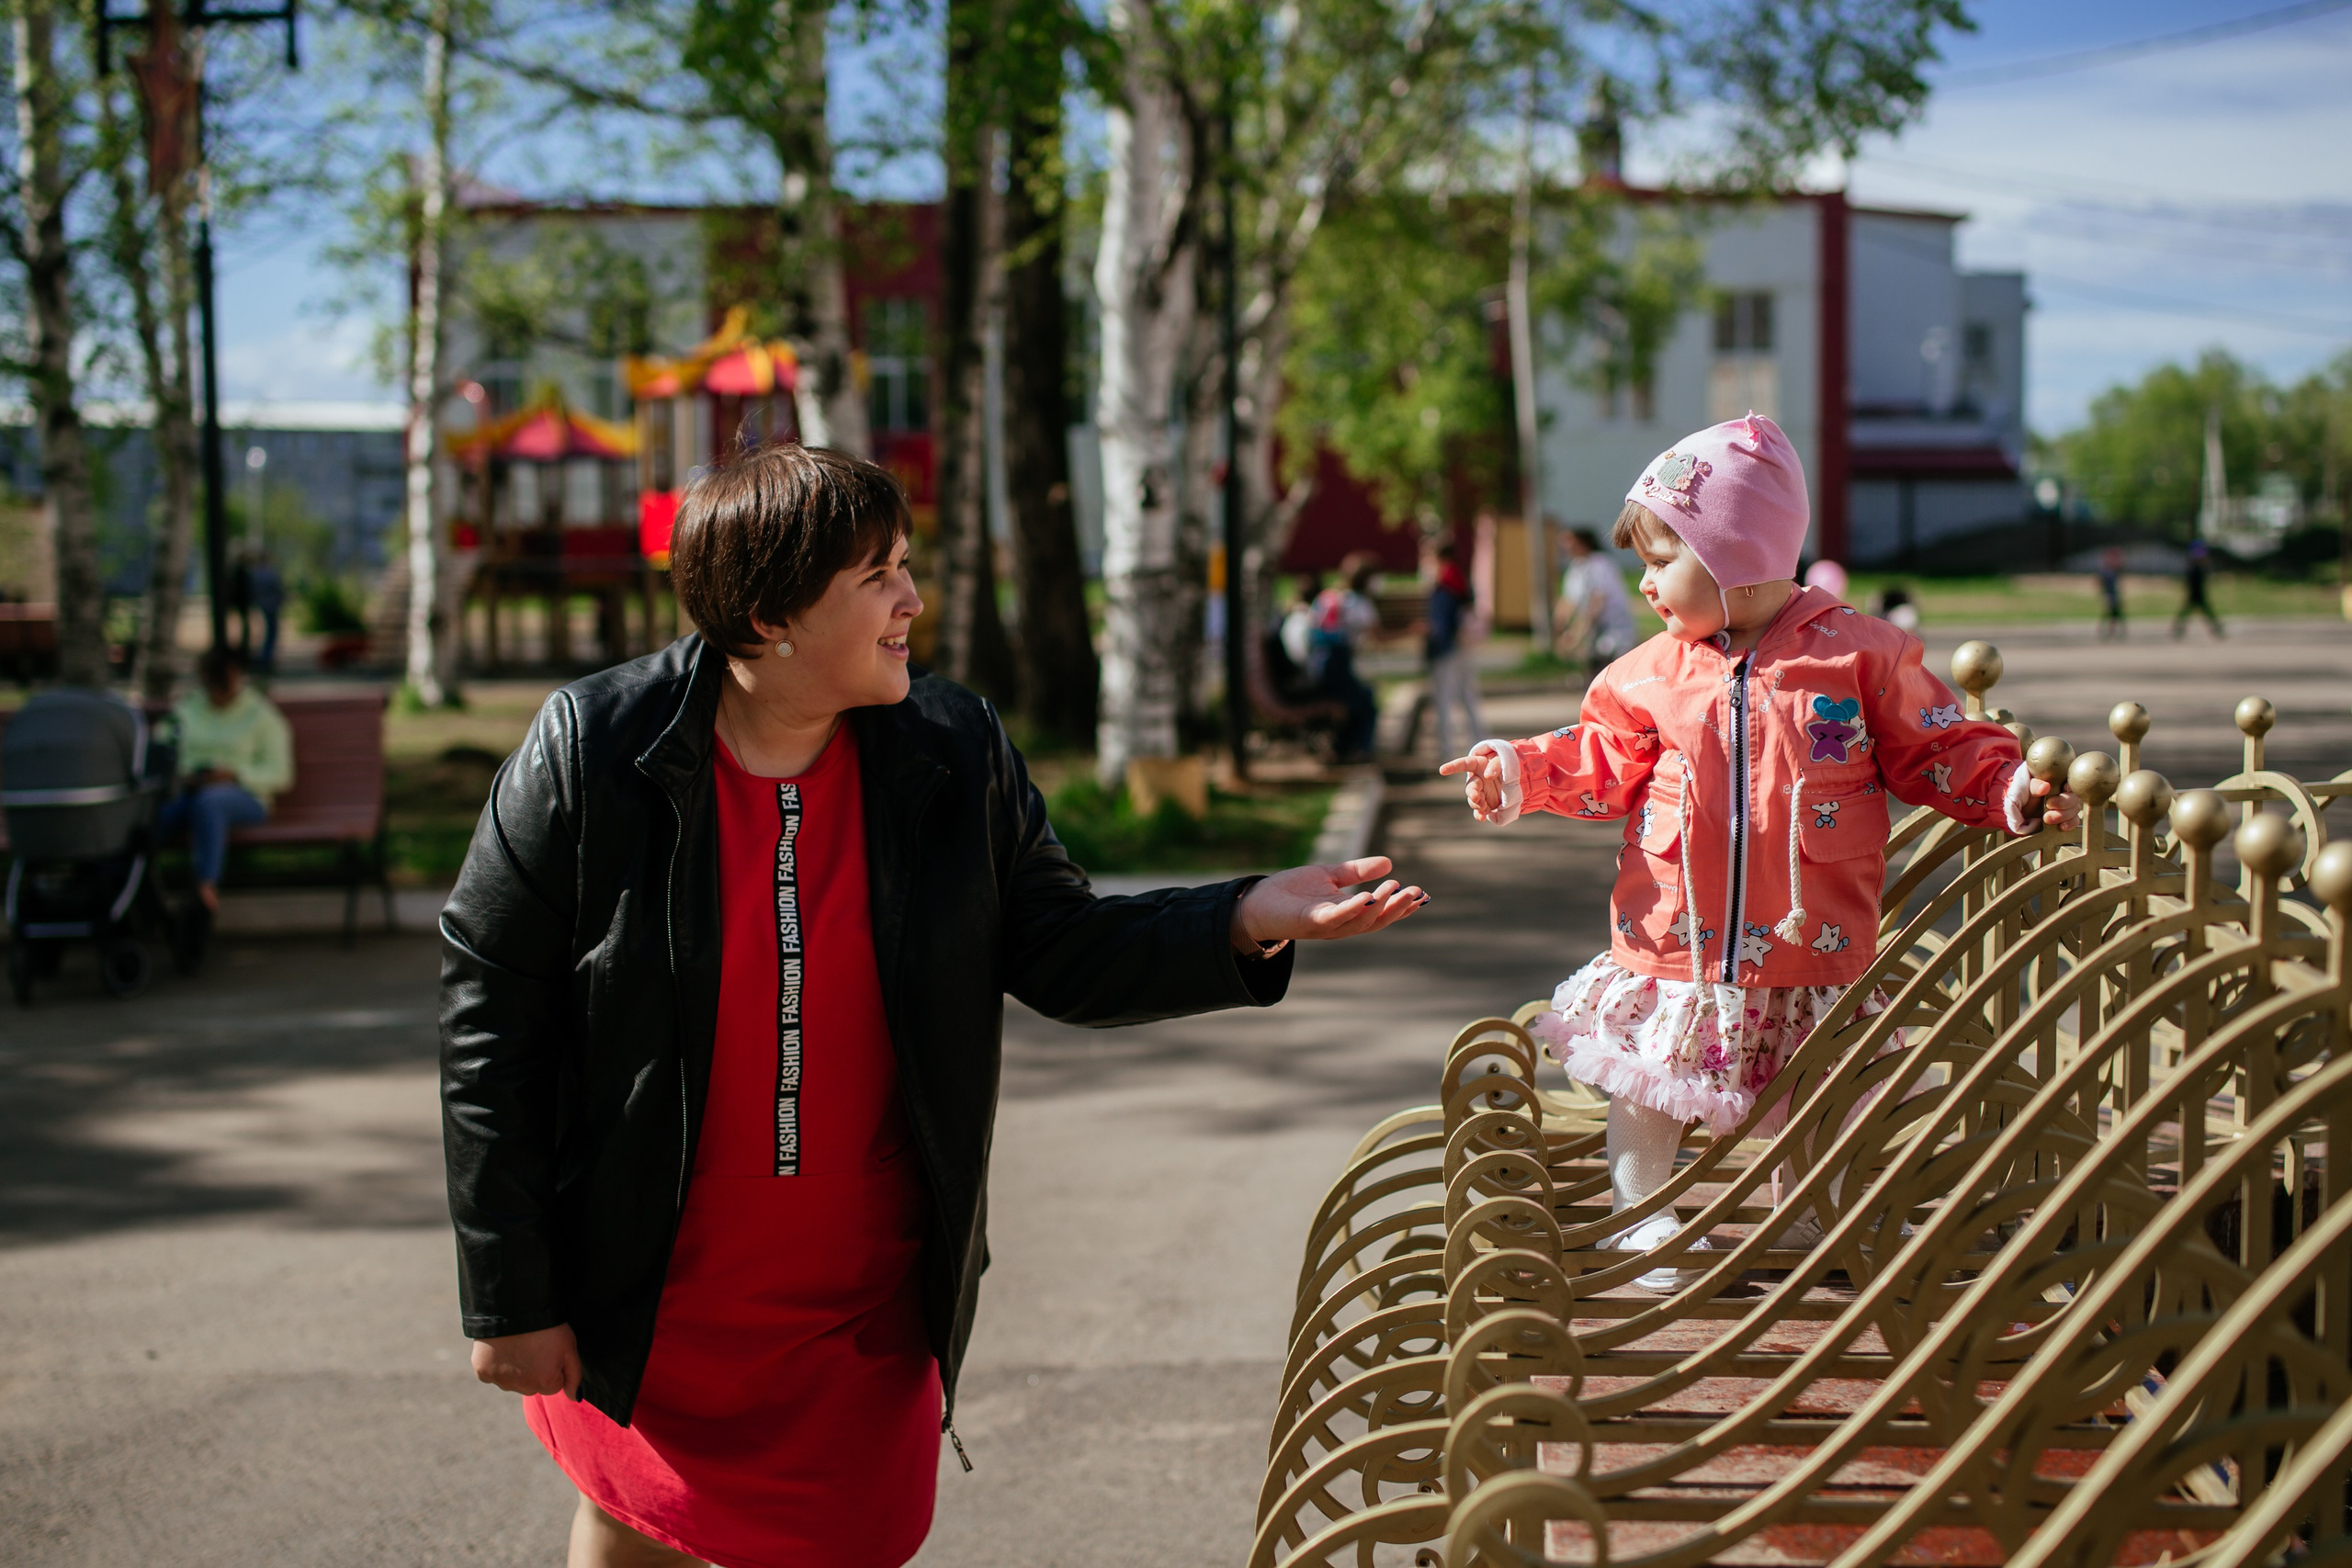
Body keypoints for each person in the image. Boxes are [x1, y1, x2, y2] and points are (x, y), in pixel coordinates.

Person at [441, 445, 1428, 1568]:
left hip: (856, 1305)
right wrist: (509, 1293)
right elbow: (490, 1023)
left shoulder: (952, 750)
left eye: (904, 565)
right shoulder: (591, 750)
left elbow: (1060, 946)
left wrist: (1247, 911)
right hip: (649, 1283)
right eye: (876, 577)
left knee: (853, 1534)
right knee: (633, 1524)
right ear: (770, 617)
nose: (913, 600)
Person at [1441, 415, 2077, 1289]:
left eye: (1664, 560)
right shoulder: (1647, 673)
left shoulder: (1860, 654)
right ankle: (1642, 1216)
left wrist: (2009, 788)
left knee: (1814, 1090)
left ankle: (1805, 1220)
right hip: (1674, 937)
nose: (1648, 583)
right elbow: (1598, 758)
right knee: (1650, 1082)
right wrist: (1518, 770)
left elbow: (1935, 745)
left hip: (1808, 939)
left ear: (1735, 554)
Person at [161, 646, 293, 913]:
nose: (219, 695)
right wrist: (186, 774)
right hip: (189, 791)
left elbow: (281, 774)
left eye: (226, 687)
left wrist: (235, 775)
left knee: (211, 802)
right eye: (213, 687)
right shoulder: (188, 709)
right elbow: (161, 747)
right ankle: (121, 886)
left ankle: (205, 894)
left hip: (246, 795)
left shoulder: (261, 716)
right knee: (155, 814)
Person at [1308, 553, 1381, 761]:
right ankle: (1359, 751)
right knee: (1365, 704)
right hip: (1338, 663)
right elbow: (1378, 635)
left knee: (1351, 702)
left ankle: (1340, 750)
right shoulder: (1360, 604)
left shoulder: (1333, 598)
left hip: (1320, 663)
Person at [1421, 538, 1483, 761]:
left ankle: (1445, 752)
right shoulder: (1460, 576)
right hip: (1463, 647)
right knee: (1468, 697)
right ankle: (1480, 743)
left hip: (1447, 649)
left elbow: (1440, 621)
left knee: (1444, 700)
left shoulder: (1444, 579)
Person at [1555, 526, 1639, 669]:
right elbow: (1569, 600)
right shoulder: (1576, 567)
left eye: (1569, 542)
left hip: (1615, 629)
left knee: (1613, 667)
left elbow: (1597, 602)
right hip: (1595, 630)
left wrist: (1578, 631)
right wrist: (1559, 626)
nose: (1565, 547)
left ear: (1582, 543)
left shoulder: (1600, 563)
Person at [2174, 539, 2224, 639]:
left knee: (2193, 613)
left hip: (2198, 594)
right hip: (2195, 594)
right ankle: (2179, 630)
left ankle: (2179, 630)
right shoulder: (2194, 568)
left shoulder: (2197, 567)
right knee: (2193, 612)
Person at [249, 549, 286, 671]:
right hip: (272, 604)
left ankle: (266, 655)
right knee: (272, 631)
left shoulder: (256, 573)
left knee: (268, 631)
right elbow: (278, 587)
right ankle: (267, 656)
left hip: (263, 604)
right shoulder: (269, 573)